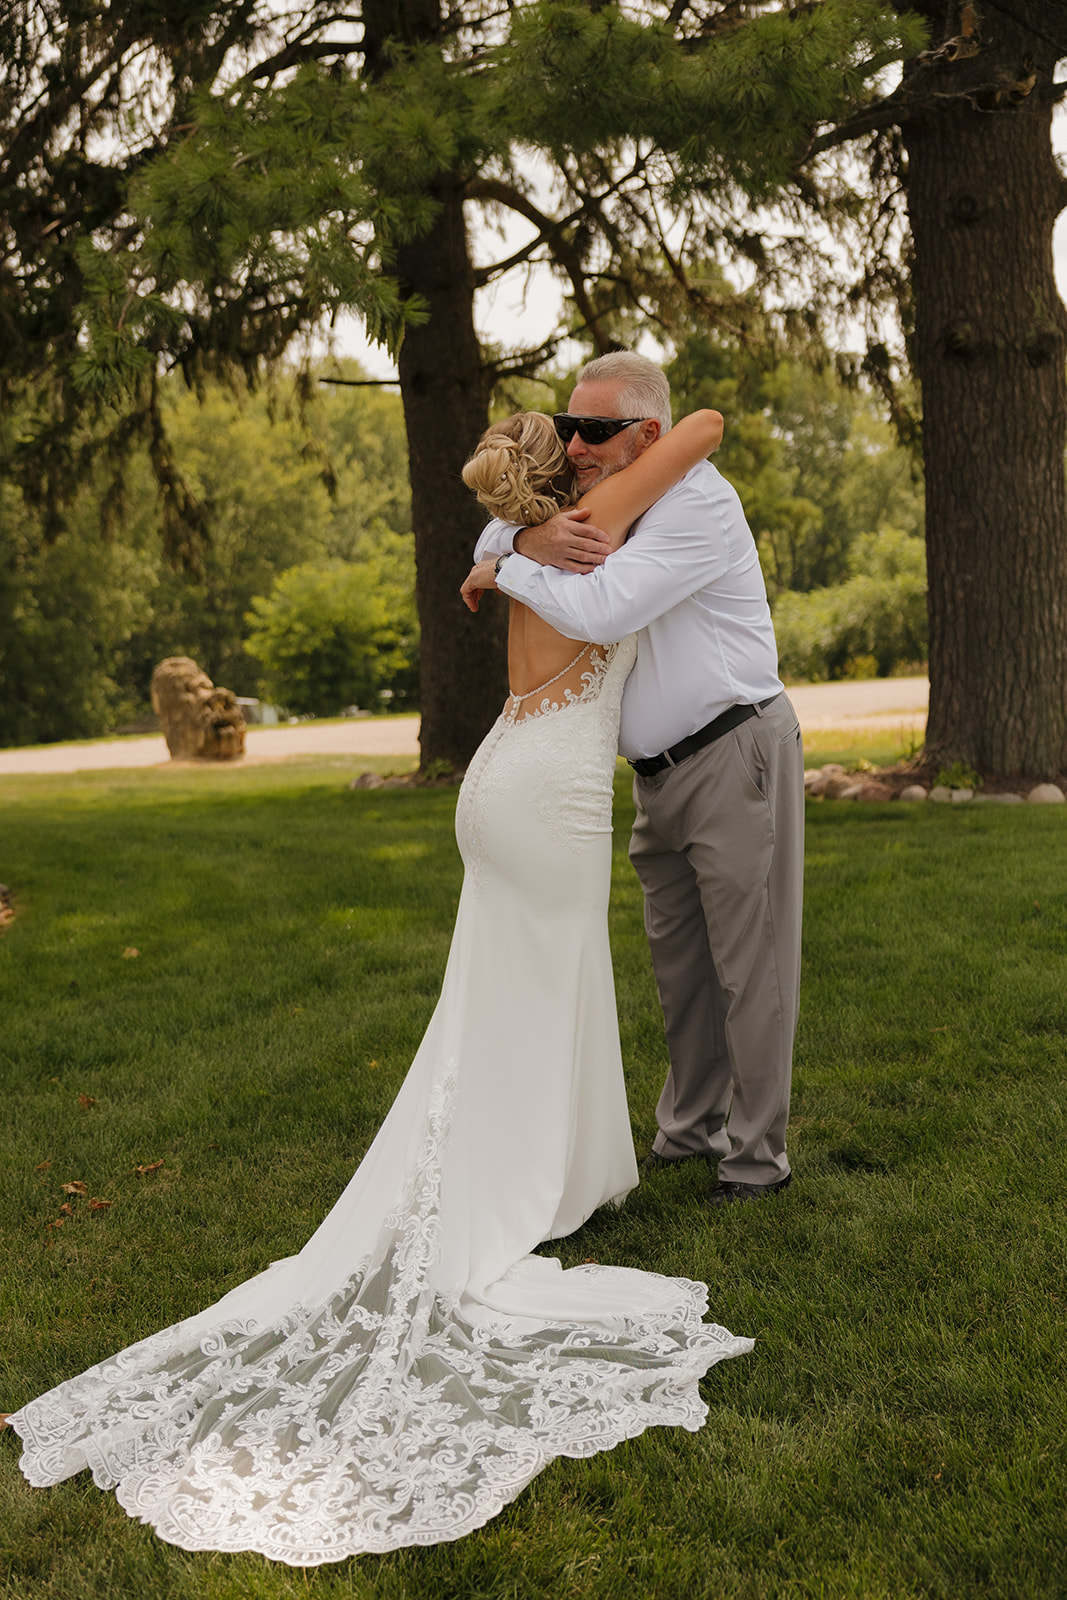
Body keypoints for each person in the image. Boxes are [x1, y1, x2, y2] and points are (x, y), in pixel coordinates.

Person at [8, 408, 750, 1567]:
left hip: (505, 780)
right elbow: (699, 423)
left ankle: (556, 1170)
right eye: (582, 438)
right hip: (545, 795)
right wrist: (565, 498)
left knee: (513, 997)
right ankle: (506, 1194)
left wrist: (495, 548)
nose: (603, 450)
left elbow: (537, 513)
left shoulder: (523, 537)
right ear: (566, 477)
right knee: (530, 990)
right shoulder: (583, 526)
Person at [466, 352, 804, 1208]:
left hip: (734, 754)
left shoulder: (696, 506)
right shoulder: (598, 503)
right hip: (655, 774)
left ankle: (755, 1158)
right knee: (680, 966)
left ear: (647, 434)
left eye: (596, 430)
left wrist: (505, 566)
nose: (575, 445)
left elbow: (602, 609)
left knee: (749, 966)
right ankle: (689, 1129)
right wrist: (519, 538)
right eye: (570, 425)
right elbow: (489, 526)